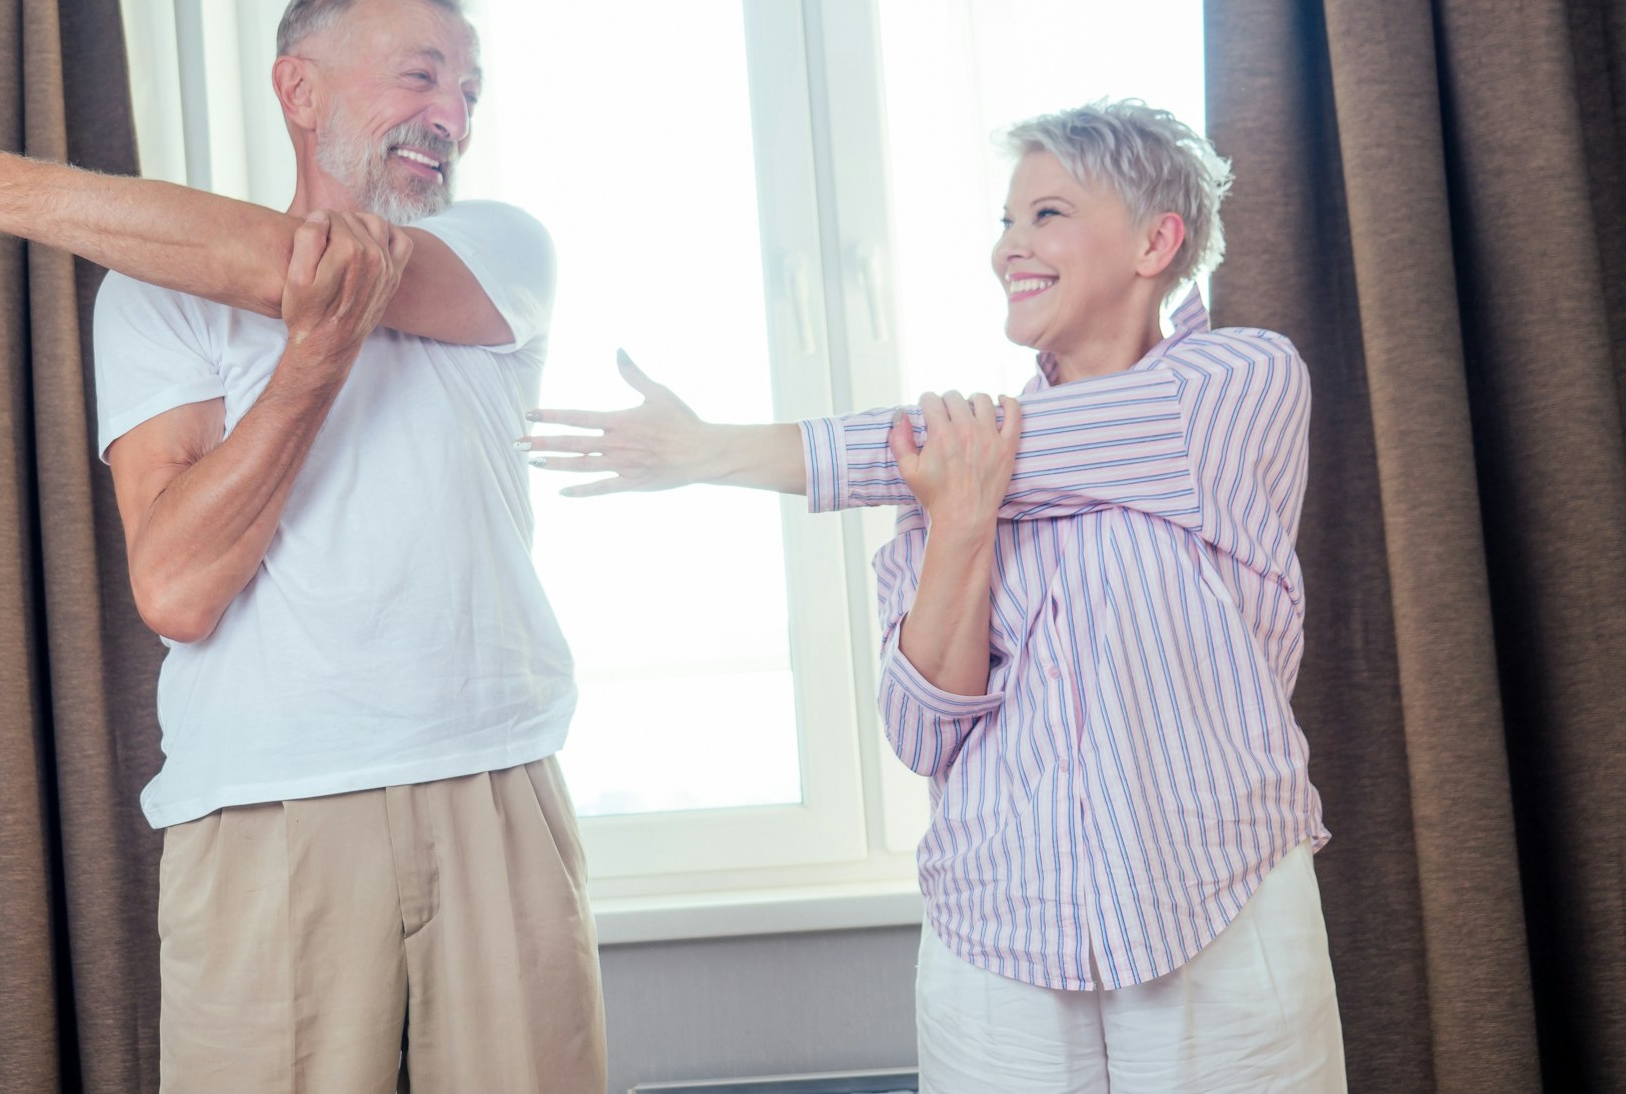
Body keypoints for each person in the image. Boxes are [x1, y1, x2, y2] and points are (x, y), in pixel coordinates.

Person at [0, 0, 605, 1093]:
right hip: (264, 811)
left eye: (468, 94)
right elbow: (178, 591)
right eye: (420, 76)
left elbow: (320, 269)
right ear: (298, 90)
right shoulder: (148, 299)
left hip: (497, 790)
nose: (449, 116)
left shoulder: (502, 249)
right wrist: (308, 367)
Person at [524, 100, 1346, 1092]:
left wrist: (715, 450)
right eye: (1003, 221)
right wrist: (957, 525)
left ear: (1154, 240)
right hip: (998, 936)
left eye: (1045, 213)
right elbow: (923, 734)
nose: (1008, 248)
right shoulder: (945, 477)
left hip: (1217, 903)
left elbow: (992, 448)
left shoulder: (1236, 383)